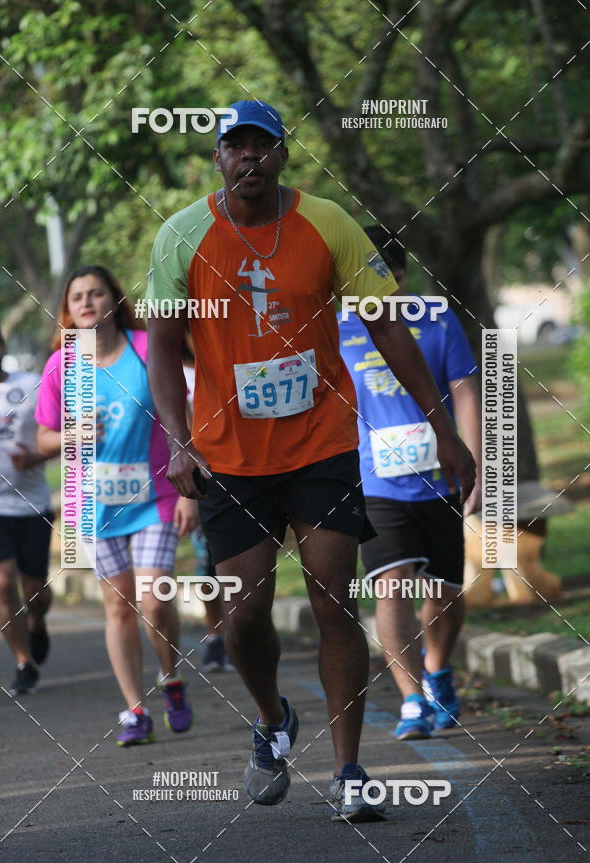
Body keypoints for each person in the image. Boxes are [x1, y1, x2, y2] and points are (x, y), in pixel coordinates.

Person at [144, 100, 475, 821]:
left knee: (334, 599)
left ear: (283, 155)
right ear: (218, 159)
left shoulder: (327, 222)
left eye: (262, 146)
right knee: (244, 615)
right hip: (229, 454)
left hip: (323, 442)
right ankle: (271, 719)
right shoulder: (181, 235)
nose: (249, 159)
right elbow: (164, 349)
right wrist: (176, 439)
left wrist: (441, 426)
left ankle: (350, 769)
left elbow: (385, 324)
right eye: (235, 147)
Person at [36, 266, 195, 746]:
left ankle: (171, 678)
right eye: (77, 296)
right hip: (94, 505)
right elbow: (42, 436)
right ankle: (135, 710)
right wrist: (70, 435)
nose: (86, 302)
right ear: (68, 309)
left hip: (157, 494)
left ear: (113, 300)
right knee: (119, 607)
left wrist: (194, 494)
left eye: (95, 293)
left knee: (153, 600)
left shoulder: (147, 349)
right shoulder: (61, 366)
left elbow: (185, 417)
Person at [339, 227, 482, 739]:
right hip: (373, 481)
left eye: (385, 276)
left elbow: (464, 392)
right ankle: (412, 699)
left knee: (444, 590)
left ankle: (438, 669)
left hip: (440, 477)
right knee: (391, 583)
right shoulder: (335, 324)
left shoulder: (436, 317)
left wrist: (476, 460)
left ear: (402, 275)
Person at [0, 317, 53, 694]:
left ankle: (37, 623)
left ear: (1, 345)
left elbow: (52, 435)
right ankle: (22, 661)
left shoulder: (30, 385)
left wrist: (34, 458)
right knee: (1, 582)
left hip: (32, 505)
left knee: (36, 592)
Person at [181, 331, 233, 673]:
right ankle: (216, 635)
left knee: (244, 560)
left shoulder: (227, 359)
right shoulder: (172, 371)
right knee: (207, 565)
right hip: (202, 479)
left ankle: (242, 633)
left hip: (242, 470)